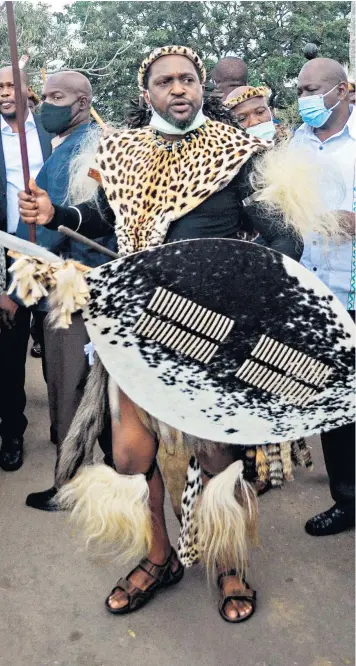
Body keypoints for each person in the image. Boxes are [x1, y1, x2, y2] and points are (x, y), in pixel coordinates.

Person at [19, 46, 341, 623]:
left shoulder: (238, 153)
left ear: (201, 87)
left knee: (219, 458)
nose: (178, 88)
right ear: (147, 94)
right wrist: (59, 215)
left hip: (208, 336)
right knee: (128, 455)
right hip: (136, 327)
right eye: (165, 81)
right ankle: (160, 557)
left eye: (187, 79)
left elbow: (284, 242)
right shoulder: (121, 151)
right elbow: (107, 224)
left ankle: (228, 563)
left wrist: (236, 290)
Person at [16, 70, 115, 510]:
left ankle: (74, 484)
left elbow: (98, 213)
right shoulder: (64, 145)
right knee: (69, 382)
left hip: (79, 286)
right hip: (58, 283)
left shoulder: (95, 147)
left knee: (73, 383)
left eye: (56, 96)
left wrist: (56, 216)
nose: (45, 104)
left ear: (81, 103)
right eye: (45, 95)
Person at [292, 57, 355, 536]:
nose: (305, 99)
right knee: (335, 405)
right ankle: (347, 500)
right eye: (300, 90)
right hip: (317, 292)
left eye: (313, 89)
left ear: (343, 90)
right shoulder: (296, 142)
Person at [0, 67, 52, 471]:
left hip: (54, 253)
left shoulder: (52, 132)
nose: (3, 93)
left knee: (60, 345)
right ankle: (12, 430)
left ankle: (67, 425)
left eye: (9, 85)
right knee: (10, 349)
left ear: (27, 90)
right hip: (9, 257)